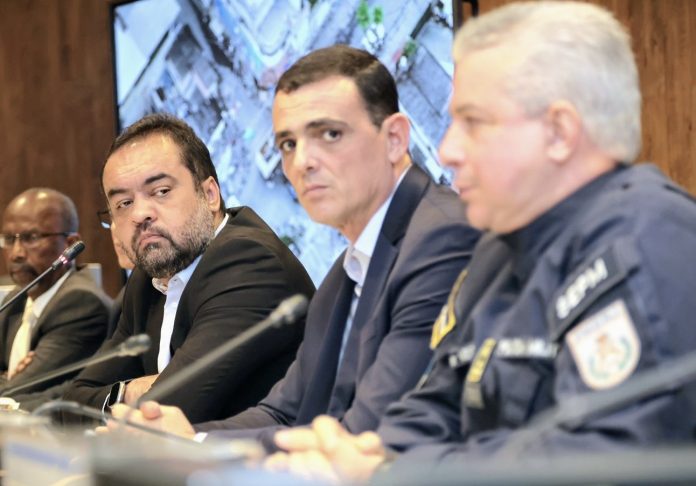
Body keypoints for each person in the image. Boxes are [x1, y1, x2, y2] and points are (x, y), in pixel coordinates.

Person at [259, 2, 696, 482]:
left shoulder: (646, 238)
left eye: (473, 123)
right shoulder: (498, 253)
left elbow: (605, 458)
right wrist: (363, 453)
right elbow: (437, 403)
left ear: (559, 132)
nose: (449, 150)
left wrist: (394, 471)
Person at [111, 45, 480, 447]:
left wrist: (195, 447)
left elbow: (368, 431)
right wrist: (184, 438)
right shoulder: (345, 272)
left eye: (330, 134)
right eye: (288, 144)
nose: (302, 162)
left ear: (394, 138)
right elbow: (284, 412)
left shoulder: (440, 239)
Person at [63, 114, 315, 424]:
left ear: (209, 195)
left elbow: (162, 418)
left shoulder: (249, 263)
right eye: (124, 203)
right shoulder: (148, 279)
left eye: (161, 191)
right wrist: (131, 390)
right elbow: (71, 405)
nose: (140, 214)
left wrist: (132, 395)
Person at [0, 188, 111, 394]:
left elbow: (18, 391)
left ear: (70, 244)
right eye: (8, 239)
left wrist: (10, 380)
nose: (16, 253)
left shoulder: (80, 303)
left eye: (31, 237)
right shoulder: (16, 298)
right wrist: (8, 379)